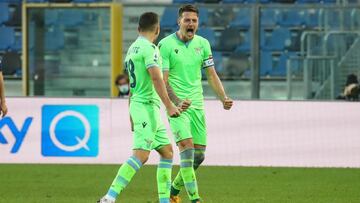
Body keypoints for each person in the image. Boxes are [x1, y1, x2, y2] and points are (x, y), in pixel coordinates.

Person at [98, 12, 181, 203]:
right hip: (146, 107)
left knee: (167, 152)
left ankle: (164, 200)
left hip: (142, 107)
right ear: (158, 30)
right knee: (141, 155)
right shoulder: (150, 48)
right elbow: (156, 78)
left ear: (138, 29)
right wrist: (169, 105)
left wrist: (130, 114)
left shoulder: (132, 49)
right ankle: (109, 198)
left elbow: (132, 87)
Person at [158, 4, 233, 203]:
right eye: (187, 20)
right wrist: (175, 102)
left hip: (197, 106)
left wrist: (223, 98)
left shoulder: (203, 44)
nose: (191, 23)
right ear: (179, 21)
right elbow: (162, 81)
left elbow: (211, 74)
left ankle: (173, 191)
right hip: (177, 108)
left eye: (194, 20)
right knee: (188, 150)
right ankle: (195, 199)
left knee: (199, 156)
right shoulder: (165, 45)